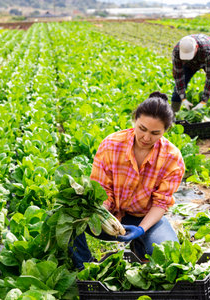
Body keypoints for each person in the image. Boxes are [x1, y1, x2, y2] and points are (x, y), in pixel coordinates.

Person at [70, 92, 185, 269]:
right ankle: (84, 268)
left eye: (155, 133)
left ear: (166, 130)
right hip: (109, 215)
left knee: (169, 253)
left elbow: (160, 204)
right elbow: (102, 190)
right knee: (69, 216)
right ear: (135, 120)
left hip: (144, 218)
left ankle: (140, 241)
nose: (146, 138)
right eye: (142, 128)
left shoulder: (172, 158)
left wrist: (141, 229)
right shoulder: (111, 145)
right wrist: (104, 216)